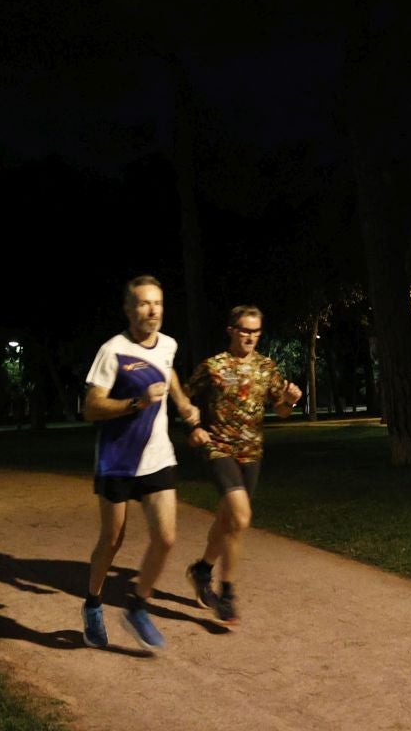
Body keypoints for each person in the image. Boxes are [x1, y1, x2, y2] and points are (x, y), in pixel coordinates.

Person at [80, 275, 200, 651]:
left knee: (165, 537)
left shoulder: (168, 345)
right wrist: (137, 403)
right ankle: (93, 604)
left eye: (158, 303)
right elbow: (90, 408)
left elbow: (168, 369)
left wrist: (182, 404)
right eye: (145, 304)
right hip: (117, 461)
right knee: (112, 540)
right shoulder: (112, 350)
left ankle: (137, 605)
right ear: (129, 310)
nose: (153, 311)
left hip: (157, 457)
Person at [183, 306, 303, 627]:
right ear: (231, 330)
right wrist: (193, 427)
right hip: (218, 449)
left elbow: (281, 412)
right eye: (245, 330)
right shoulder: (212, 367)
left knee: (228, 520)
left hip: (252, 454)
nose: (250, 336)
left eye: (256, 332)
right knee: (241, 517)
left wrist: (291, 399)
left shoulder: (266, 368)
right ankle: (227, 593)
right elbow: (182, 397)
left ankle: (202, 570)